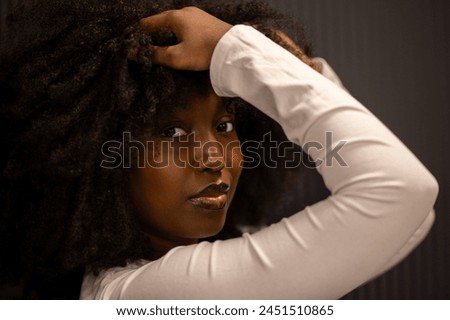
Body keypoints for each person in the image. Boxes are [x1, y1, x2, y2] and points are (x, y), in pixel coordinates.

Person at [0, 0, 437, 299]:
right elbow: (399, 193)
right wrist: (244, 55)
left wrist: (286, 66)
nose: (214, 156)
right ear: (95, 159)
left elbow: (412, 217)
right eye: (171, 133)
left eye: (225, 124)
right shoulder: (145, 295)